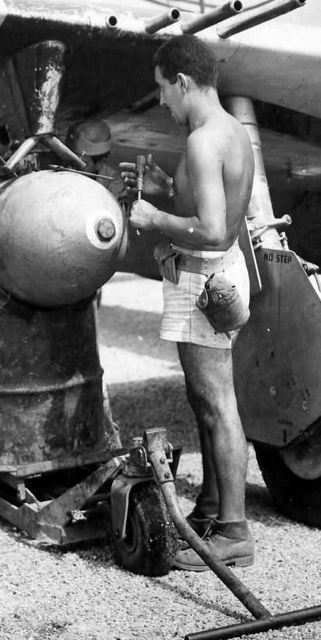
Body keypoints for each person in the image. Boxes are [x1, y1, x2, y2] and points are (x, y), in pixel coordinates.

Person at [120, 35, 256, 571]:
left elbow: (215, 229)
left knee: (217, 402)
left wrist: (155, 220)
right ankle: (214, 508)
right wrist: (166, 187)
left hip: (202, 277)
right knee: (207, 399)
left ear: (182, 81)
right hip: (216, 278)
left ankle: (234, 533)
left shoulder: (202, 141)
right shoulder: (230, 133)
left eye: (162, 89)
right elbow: (212, 201)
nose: (160, 102)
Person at [67, 119, 122, 447]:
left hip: (85, 283)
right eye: (93, 159)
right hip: (61, 280)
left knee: (86, 359)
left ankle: (101, 433)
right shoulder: (63, 177)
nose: (99, 164)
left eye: (103, 158)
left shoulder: (108, 179)